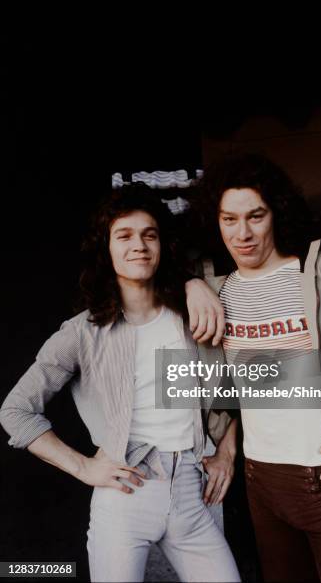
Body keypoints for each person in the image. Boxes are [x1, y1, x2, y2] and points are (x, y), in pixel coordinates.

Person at [0, 184, 240, 583]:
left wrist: (227, 451)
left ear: (162, 245)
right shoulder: (83, 333)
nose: (139, 246)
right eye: (124, 236)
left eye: (150, 235)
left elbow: (234, 381)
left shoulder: (192, 315)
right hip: (128, 496)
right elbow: (15, 411)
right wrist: (83, 467)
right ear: (106, 249)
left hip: (193, 492)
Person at [185, 153, 321, 582]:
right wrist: (190, 282)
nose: (242, 233)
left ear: (276, 215)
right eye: (229, 219)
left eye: (255, 216)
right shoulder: (217, 289)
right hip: (259, 482)